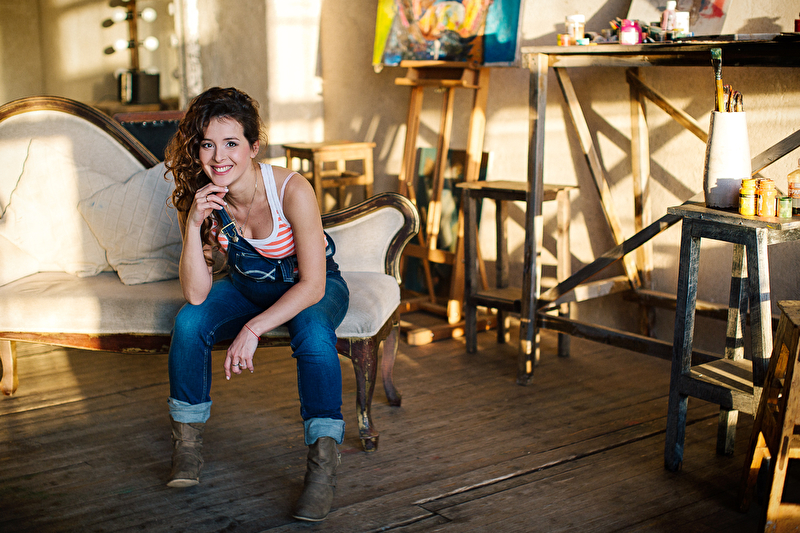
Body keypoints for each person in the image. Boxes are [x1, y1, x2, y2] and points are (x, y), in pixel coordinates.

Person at [163, 87, 349, 522]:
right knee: (188, 322)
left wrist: (252, 329)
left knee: (314, 335)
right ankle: (187, 447)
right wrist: (193, 224)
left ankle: (322, 470)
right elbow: (196, 294)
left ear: (253, 147)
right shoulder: (203, 198)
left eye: (231, 143)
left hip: (313, 287)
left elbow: (313, 285)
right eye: (207, 144)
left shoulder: (290, 189)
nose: (219, 157)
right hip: (248, 287)